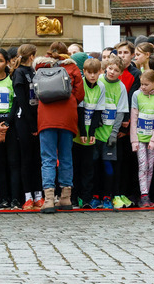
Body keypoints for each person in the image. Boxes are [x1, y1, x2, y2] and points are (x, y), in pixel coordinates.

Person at [36, 42, 85, 213]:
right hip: (67, 117)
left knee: (48, 158)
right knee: (66, 157)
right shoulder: (72, 67)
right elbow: (80, 94)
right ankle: (65, 198)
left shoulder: (41, 66)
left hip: (46, 117)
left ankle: (49, 199)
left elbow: (36, 92)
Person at [0, 48, 20, 209]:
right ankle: (3, 198)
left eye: (1, 60)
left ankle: (15, 198)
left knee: (13, 163)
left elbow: (15, 105)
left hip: (9, 125)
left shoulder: (11, 80)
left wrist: (6, 126)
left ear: (6, 62)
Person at [11, 43, 43, 210]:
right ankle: (28, 196)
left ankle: (39, 194)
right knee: (26, 159)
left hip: (36, 119)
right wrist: (32, 124)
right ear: (31, 56)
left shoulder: (33, 72)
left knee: (37, 159)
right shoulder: (19, 73)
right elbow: (22, 100)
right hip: (24, 120)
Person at [96, 56, 129, 209]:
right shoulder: (99, 81)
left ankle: (107, 196)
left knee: (108, 165)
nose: (112, 72)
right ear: (105, 68)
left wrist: (114, 133)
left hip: (109, 134)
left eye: (116, 70)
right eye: (110, 68)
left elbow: (121, 112)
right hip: (95, 132)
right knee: (94, 165)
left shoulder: (121, 87)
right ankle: (95, 195)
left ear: (120, 73)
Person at [129, 70, 154, 208]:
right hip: (139, 137)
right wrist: (134, 140)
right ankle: (143, 195)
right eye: (141, 84)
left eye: (146, 84)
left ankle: (147, 194)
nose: (143, 87)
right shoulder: (136, 95)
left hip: (152, 139)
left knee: (150, 167)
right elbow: (134, 117)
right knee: (142, 166)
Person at [73, 57, 106, 208]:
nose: (92, 76)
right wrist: (82, 133)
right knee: (75, 166)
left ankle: (86, 198)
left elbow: (98, 112)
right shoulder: (80, 85)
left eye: (95, 73)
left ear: (100, 72)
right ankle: (74, 196)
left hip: (90, 133)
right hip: (77, 133)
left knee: (88, 168)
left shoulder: (101, 87)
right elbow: (79, 111)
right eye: (89, 73)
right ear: (84, 72)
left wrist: (91, 132)